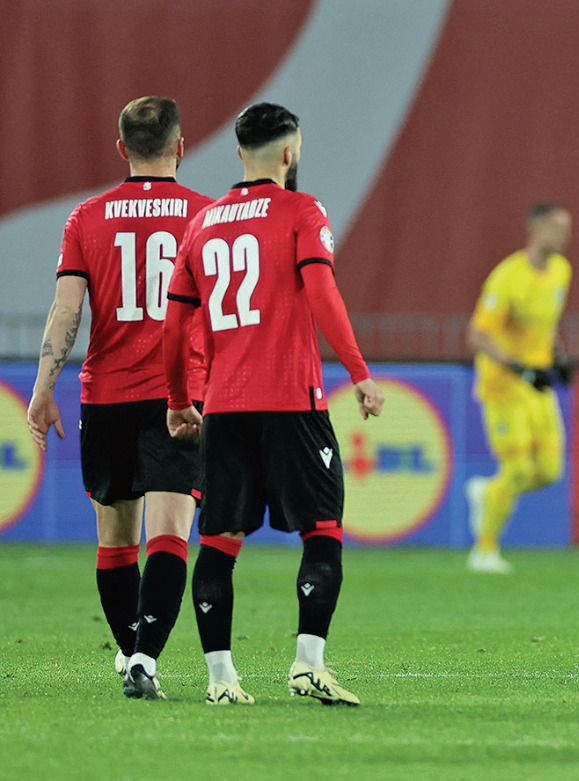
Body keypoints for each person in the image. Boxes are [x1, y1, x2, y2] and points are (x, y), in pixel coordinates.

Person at [162, 102, 384, 705]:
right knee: (323, 531)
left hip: (226, 410)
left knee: (219, 544)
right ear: (290, 152)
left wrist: (181, 400)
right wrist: (359, 374)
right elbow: (321, 290)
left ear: (238, 152)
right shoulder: (301, 211)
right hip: (291, 402)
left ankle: (220, 680)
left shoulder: (202, 223)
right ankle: (307, 663)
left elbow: (174, 323)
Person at [24, 96, 212, 700]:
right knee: (170, 534)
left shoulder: (86, 217)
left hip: (106, 397)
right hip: (178, 396)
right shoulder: (207, 216)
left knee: (115, 539)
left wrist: (43, 389)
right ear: (181, 147)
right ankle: (146, 658)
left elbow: (67, 309)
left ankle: (132, 652)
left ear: (121, 148)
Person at [463, 202, 573, 574]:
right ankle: (484, 549)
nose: (564, 236)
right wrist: (516, 366)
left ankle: (489, 493)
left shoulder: (560, 271)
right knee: (519, 467)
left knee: (549, 470)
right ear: (536, 228)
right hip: (503, 385)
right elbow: (478, 334)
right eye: (557, 228)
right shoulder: (507, 277)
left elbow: (545, 327)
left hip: (537, 383)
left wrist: (558, 357)